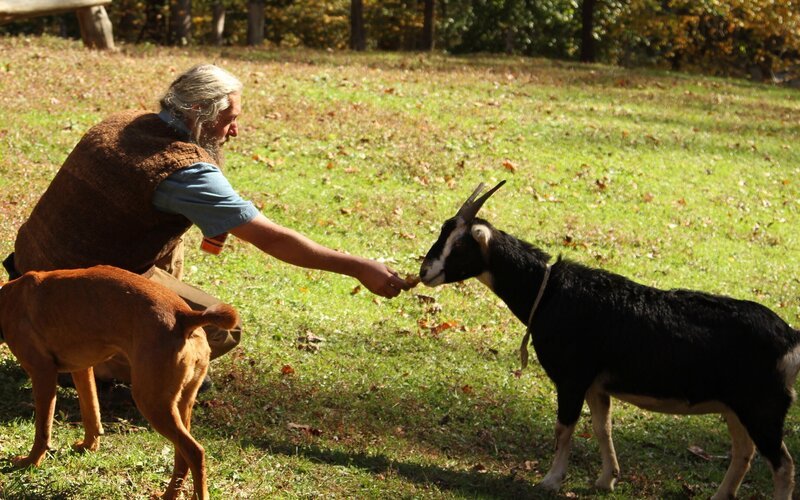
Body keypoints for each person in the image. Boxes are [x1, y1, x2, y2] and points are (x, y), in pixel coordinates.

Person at [4, 64, 413, 385]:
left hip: (30, 268)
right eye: (229, 118)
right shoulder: (183, 173)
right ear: (199, 112)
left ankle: (78, 339)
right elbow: (274, 239)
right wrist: (359, 266)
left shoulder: (125, 122)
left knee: (169, 250)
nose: (235, 129)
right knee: (217, 329)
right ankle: (88, 360)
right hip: (69, 298)